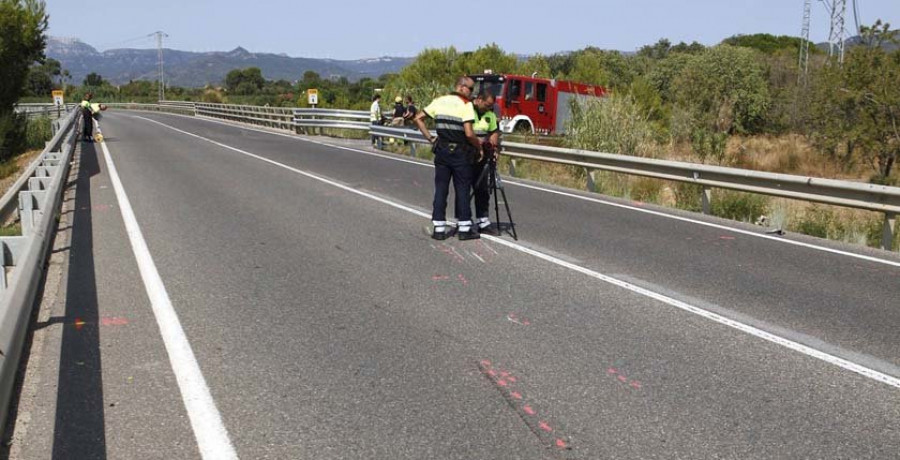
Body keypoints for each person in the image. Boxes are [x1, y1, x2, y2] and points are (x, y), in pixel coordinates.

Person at [414, 76, 483, 240]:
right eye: (470, 89)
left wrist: (431, 139)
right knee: (463, 189)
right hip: (461, 152)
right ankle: (465, 228)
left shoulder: (439, 101)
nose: (472, 93)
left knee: (441, 188)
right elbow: (468, 132)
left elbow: (417, 118)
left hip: (442, 150)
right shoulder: (466, 105)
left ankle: (438, 228)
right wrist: (479, 146)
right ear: (461, 87)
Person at [471, 92, 501, 235]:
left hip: (484, 158)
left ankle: (483, 221)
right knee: (464, 189)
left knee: (482, 190)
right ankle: (464, 221)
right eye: (487, 105)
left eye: (491, 106)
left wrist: (493, 145)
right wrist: (478, 143)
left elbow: (494, 131)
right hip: (468, 155)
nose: (489, 108)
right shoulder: (468, 111)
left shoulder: (490, 116)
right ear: (479, 100)